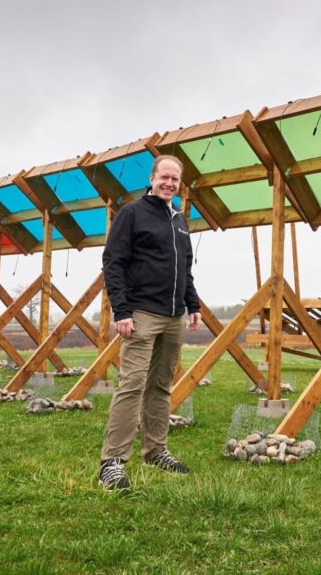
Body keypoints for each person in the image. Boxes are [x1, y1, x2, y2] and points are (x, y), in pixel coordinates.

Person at [97, 154, 201, 492]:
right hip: (141, 313)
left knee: (161, 385)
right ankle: (112, 462)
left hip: (174, 317)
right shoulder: (132, 213)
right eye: (164, 177)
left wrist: (192, 304)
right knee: (132, 383)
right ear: (152, 178)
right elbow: (113, 262)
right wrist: (122, 310)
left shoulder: (180, 220)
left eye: (175, 179)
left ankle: (156, 450)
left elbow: (184, 268)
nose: (169, 183)